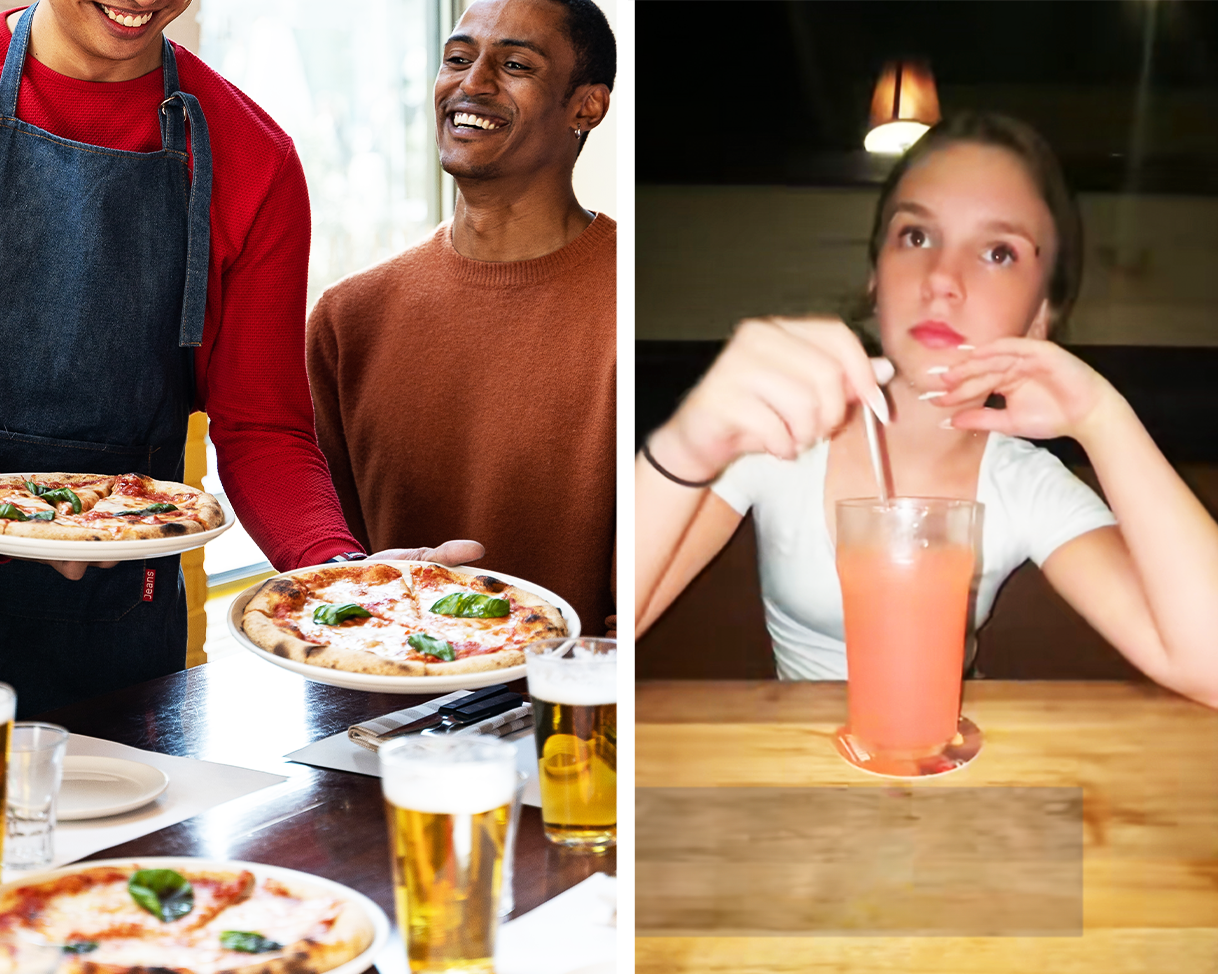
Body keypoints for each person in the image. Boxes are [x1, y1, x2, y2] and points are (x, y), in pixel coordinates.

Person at [0, 1, 474, 715]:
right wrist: (8, 516)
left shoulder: (253, 153)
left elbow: (262, 427)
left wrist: (337, 572)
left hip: (123, 613)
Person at [634, 111, 1218, 708]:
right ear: (874, 278)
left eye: (998, 252)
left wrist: (1102, 417)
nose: (941, 278)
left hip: (946, 751)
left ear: (1040, 315)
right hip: (795, 753)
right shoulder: (784, 428)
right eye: (915, 236)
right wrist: (685, 445)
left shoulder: (1023, 483)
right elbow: (601, 624)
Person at [307, 0, 616, 635]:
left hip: (576, 694)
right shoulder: (347, 319)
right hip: (380, 689)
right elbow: (325, 573)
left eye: (515, 65)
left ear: (586, 106)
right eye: (456, 58)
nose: (472, 83)